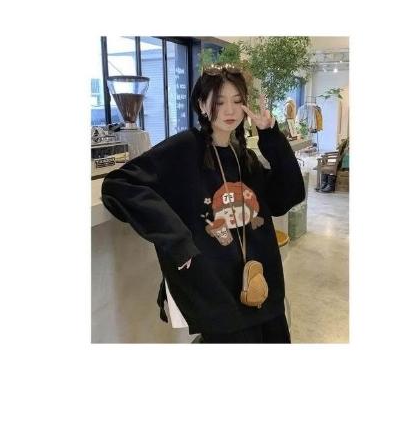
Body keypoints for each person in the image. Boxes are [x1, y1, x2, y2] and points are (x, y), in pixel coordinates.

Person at [100, 64, 306, 343]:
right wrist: (176, 240)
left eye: (237, 101)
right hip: (218, 294)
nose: (230, 110)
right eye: (219, 102)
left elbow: (287, 197)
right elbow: (119, 184)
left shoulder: (243, 156)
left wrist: (270, 136)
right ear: (201, 104)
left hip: (263, 286)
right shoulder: (185, 148)